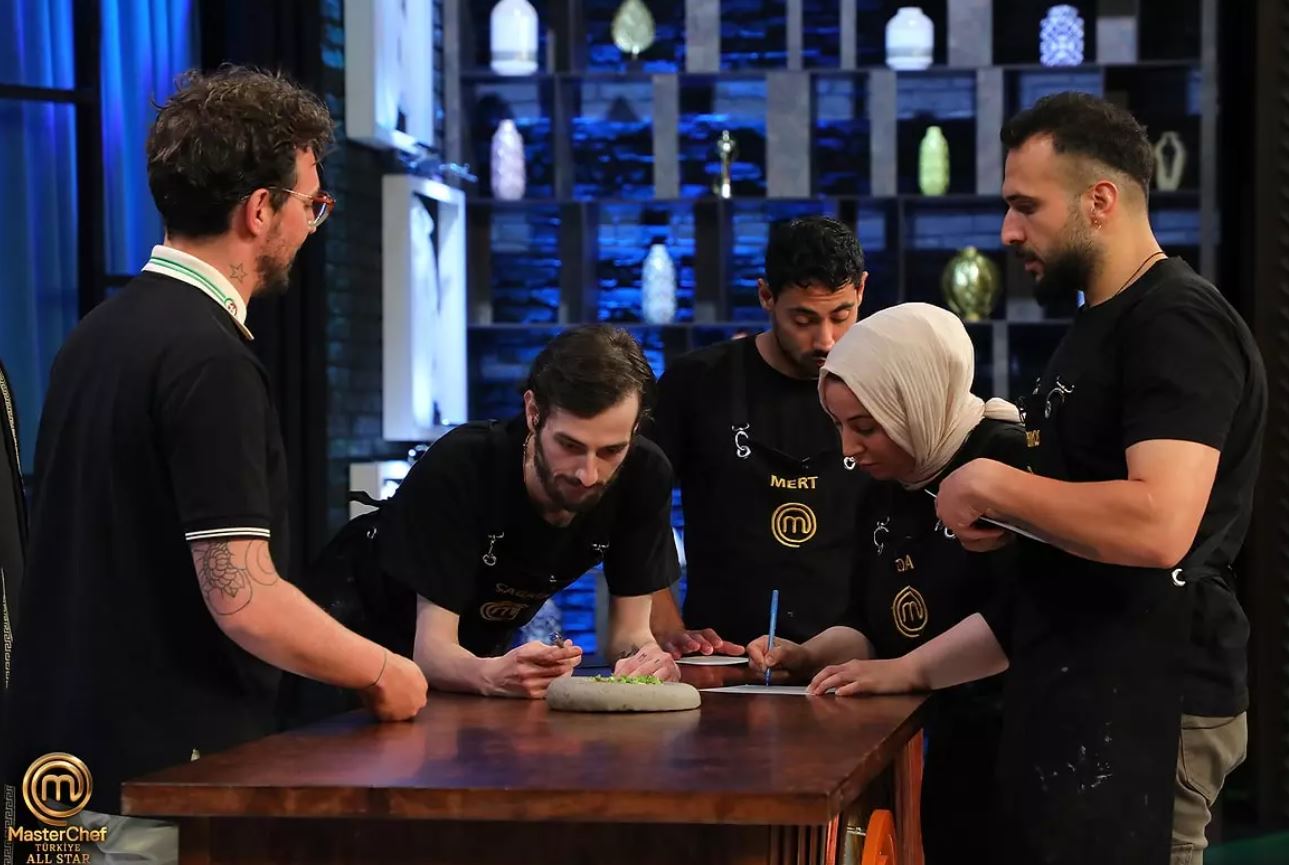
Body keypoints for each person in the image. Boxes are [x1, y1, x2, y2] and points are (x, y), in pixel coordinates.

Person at [1, 66, 428, 860]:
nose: (311, 224)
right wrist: (382, 669)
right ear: (259, 209)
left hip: (55, 774)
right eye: (311, 204)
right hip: (153, 781)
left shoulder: (93, 335)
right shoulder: (209, 358)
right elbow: (244, 597)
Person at [915, 93, 1265, 865]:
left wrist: (992, 486)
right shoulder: (1097, 325)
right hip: (1081, 689)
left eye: (1024, 206)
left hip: (1151, 696)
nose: (1007, 232)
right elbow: (1079, 524)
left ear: (1098, 200)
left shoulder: (1176, 322)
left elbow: (1157, 523)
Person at [743, 303, 1025, 865]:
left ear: (915, 403)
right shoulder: (888, 482)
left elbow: (1021, 616)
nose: (848, 449)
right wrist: (806, 656)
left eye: (866, 428)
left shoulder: (1006, 460)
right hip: (953, 749)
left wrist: (907, 670)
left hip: (1030, 747)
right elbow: (869, 626)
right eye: (840, 426)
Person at [303, 325, 682, 700]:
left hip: (463, 659)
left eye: (611, 451)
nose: (588, 474)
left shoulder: (644, 474)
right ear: (533, 412)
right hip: (349, 642)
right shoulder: (463, 465)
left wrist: (646, 662)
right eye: (569, 445)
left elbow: (629, 636)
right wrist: (492, 674)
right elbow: (432, 652)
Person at [645, 216, 871, 656]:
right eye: (803, 319)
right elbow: (633, 507)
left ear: (862, 290)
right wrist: (665, 619)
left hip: (850, 658)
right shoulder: (698, 382)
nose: (825, 340)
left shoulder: (881, 385)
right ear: (766, 296)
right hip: (720, 654)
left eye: (841, 316)